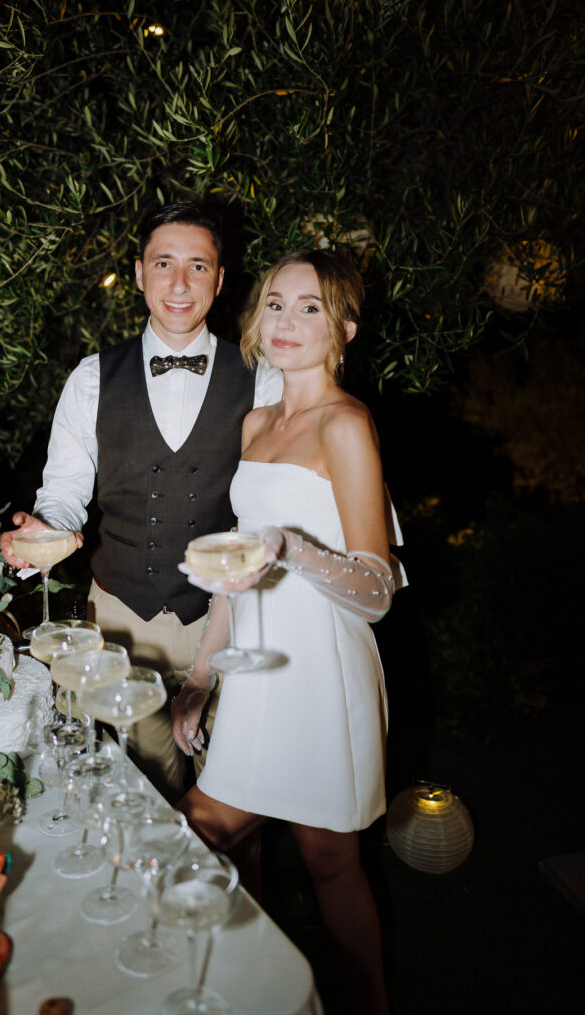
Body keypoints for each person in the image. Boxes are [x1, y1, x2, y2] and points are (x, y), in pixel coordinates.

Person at [171, 248, 404, 1015]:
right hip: (257, 669)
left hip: (322, 667)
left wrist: (293, 548)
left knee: (330, 861)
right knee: (201, 828)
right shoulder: (256, 423)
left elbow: (375, 591)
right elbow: (239, 569)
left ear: (344, 327)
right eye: (275, 303)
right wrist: (204, 677)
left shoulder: (346, 425)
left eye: (310, 307)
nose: (287, 322)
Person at [1, 201, 281, 800]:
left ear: (221, 279)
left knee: (236, 804)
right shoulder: (91, 378)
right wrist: (39, 534)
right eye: (163, 264)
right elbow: (65, 496)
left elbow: (275, 508)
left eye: (198, 266)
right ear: (138, 273)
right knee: (142, 799)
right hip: (122, 627)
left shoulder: (263, 378)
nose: (179, 284)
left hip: (230, 623)